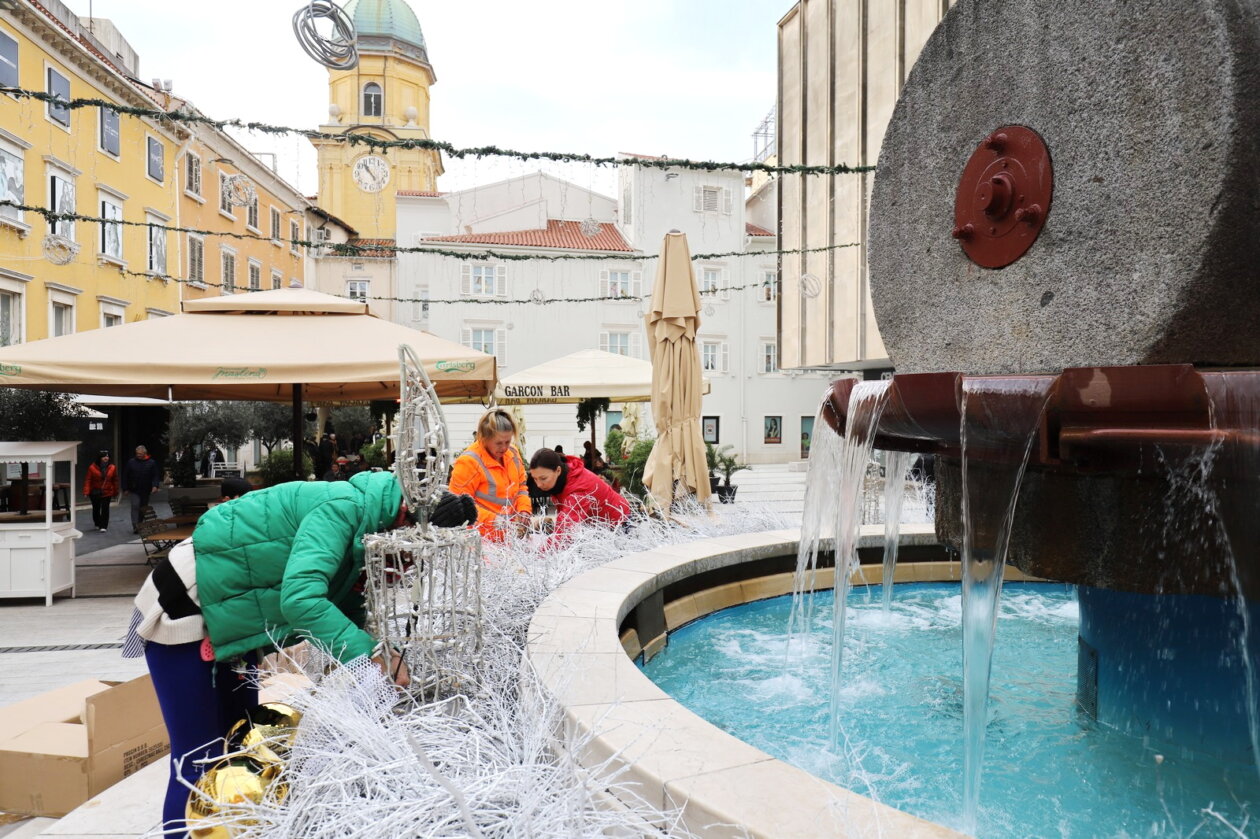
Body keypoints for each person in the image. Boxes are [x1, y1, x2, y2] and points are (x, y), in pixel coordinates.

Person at [124, 472, 476, 837]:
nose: (409, 567)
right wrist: (369, 653)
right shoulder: (343, 509)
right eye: (412, 554)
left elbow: (345, 607)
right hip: (187, 609)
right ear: (405, 521)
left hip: (232, 627)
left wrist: (382, 656)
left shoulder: (369, 533)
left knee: (239, 744)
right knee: (198, 760)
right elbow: (301, 598)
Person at [448, 408, 531, 541]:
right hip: (480, 541)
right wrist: (493, 521)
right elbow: (458, 505)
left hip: (510, 539)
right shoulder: (469, 462)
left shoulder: (513, 453)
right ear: (484, 438)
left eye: (508, 442)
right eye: (498, 443)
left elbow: (521, 488)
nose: (504, 448)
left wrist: (524, 510)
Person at [527, 448, 631, 541]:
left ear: (558, 470)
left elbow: (564, 534)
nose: (539, 485)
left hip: (621, 525)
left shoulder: (578, 488)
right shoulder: (563, 478)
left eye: (543, 478)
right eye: (535, 479)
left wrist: (536, 557)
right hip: (598, 527)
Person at [123, 445, 162, 533]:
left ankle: (140, 524)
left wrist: (155, 486)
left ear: (145, 453)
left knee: (143, 507)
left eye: (140, 454)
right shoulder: (131, 462)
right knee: (135, 505)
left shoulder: (151, 463)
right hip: (134, 489)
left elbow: (155, 476)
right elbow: (125, 475)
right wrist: (125, 488)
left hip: (145, 489)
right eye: (137, 454)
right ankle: (135, 525)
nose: (138, 455)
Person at [82, 451, 119, 532]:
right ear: (99, 458)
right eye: (104, 456)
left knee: (105, 509)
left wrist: (116, 491)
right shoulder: (92, 467)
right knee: (96, 508)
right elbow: (88, 480)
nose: (106, 458)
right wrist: (86, 492)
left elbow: (115, 480)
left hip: (107, 491)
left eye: (107, 456)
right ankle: (97, 523)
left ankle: (104, 526)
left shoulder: (112, 467)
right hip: (95, 491)